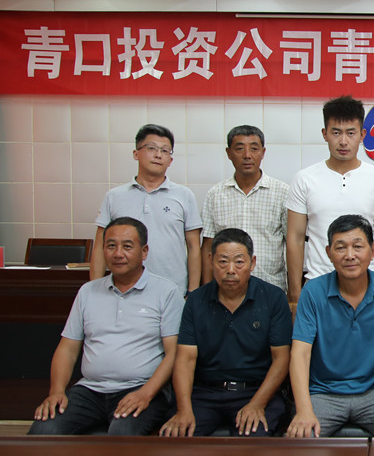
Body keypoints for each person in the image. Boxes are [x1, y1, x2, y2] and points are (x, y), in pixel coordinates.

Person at [29, 217, 183, 435]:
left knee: (121, 435)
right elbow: (67, 350)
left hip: (140, 387)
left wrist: (145, 393)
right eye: (111, 246)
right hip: (89, 390)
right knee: (43, 431)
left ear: (144, 251)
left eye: (127, 246)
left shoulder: (166, 292)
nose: (118, 254)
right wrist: (56, 391)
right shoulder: (87, 292)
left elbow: (174, 354)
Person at [287, 215, 374, 438]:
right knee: (301, 438)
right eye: (341, 247)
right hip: (323, 393)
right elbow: (300, 353)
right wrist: (303, 410)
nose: (350, 255)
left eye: (358, 246)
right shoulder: (313, 291)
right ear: (329, 253)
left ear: (373, 250)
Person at [160, 228, 292, 437]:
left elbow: (281, 359)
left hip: (255, 391)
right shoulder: (196, 300)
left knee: (254, 438)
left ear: (252, 263)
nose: (231, 270)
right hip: (204, 393)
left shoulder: (273, 298)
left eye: (239, 262)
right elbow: (185, 359)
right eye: (223, 262)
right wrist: (183, 409)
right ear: (210, 261)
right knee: (177, 438)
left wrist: (257, 404)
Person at [286, 96, 374, 303]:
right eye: (336, 133)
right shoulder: (304, 179)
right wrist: (294, 294)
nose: (343, 141)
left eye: (351, 133)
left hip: (367, 286)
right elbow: (295, 237)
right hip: (317, 284)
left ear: (362, 135)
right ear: (325, 134)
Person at [90, 124, 202, 292]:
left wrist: (192, 293)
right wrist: (95, 291)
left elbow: (194, 248)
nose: (158, 155)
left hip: (173, 291)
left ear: (170, 160)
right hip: (124, 291)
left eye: (165, 151)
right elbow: (100, 246)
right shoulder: (114, 196)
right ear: (136, 154)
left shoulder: (185, 196)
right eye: (152, 148)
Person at [201, 125, 289, 291]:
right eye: (240, 148)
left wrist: (294, 291)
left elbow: (292, 243)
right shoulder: (215, 194)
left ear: (263, 152)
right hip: (225, 290)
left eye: (254, 149)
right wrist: (205, 291)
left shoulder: (283, 193)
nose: (247, 155)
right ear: (228, 153)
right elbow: (207, 246)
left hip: (271, 287)